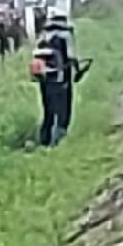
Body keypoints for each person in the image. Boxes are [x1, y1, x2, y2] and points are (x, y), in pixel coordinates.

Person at [31, 11, 83, 147]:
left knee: (48, 112)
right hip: (61, 78)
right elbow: (71, 57)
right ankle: (57, 143)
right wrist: (77, 71)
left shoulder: (43, 35)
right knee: (63, 111)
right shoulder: (66, 35)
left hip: (44, 79)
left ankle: (43, 141)